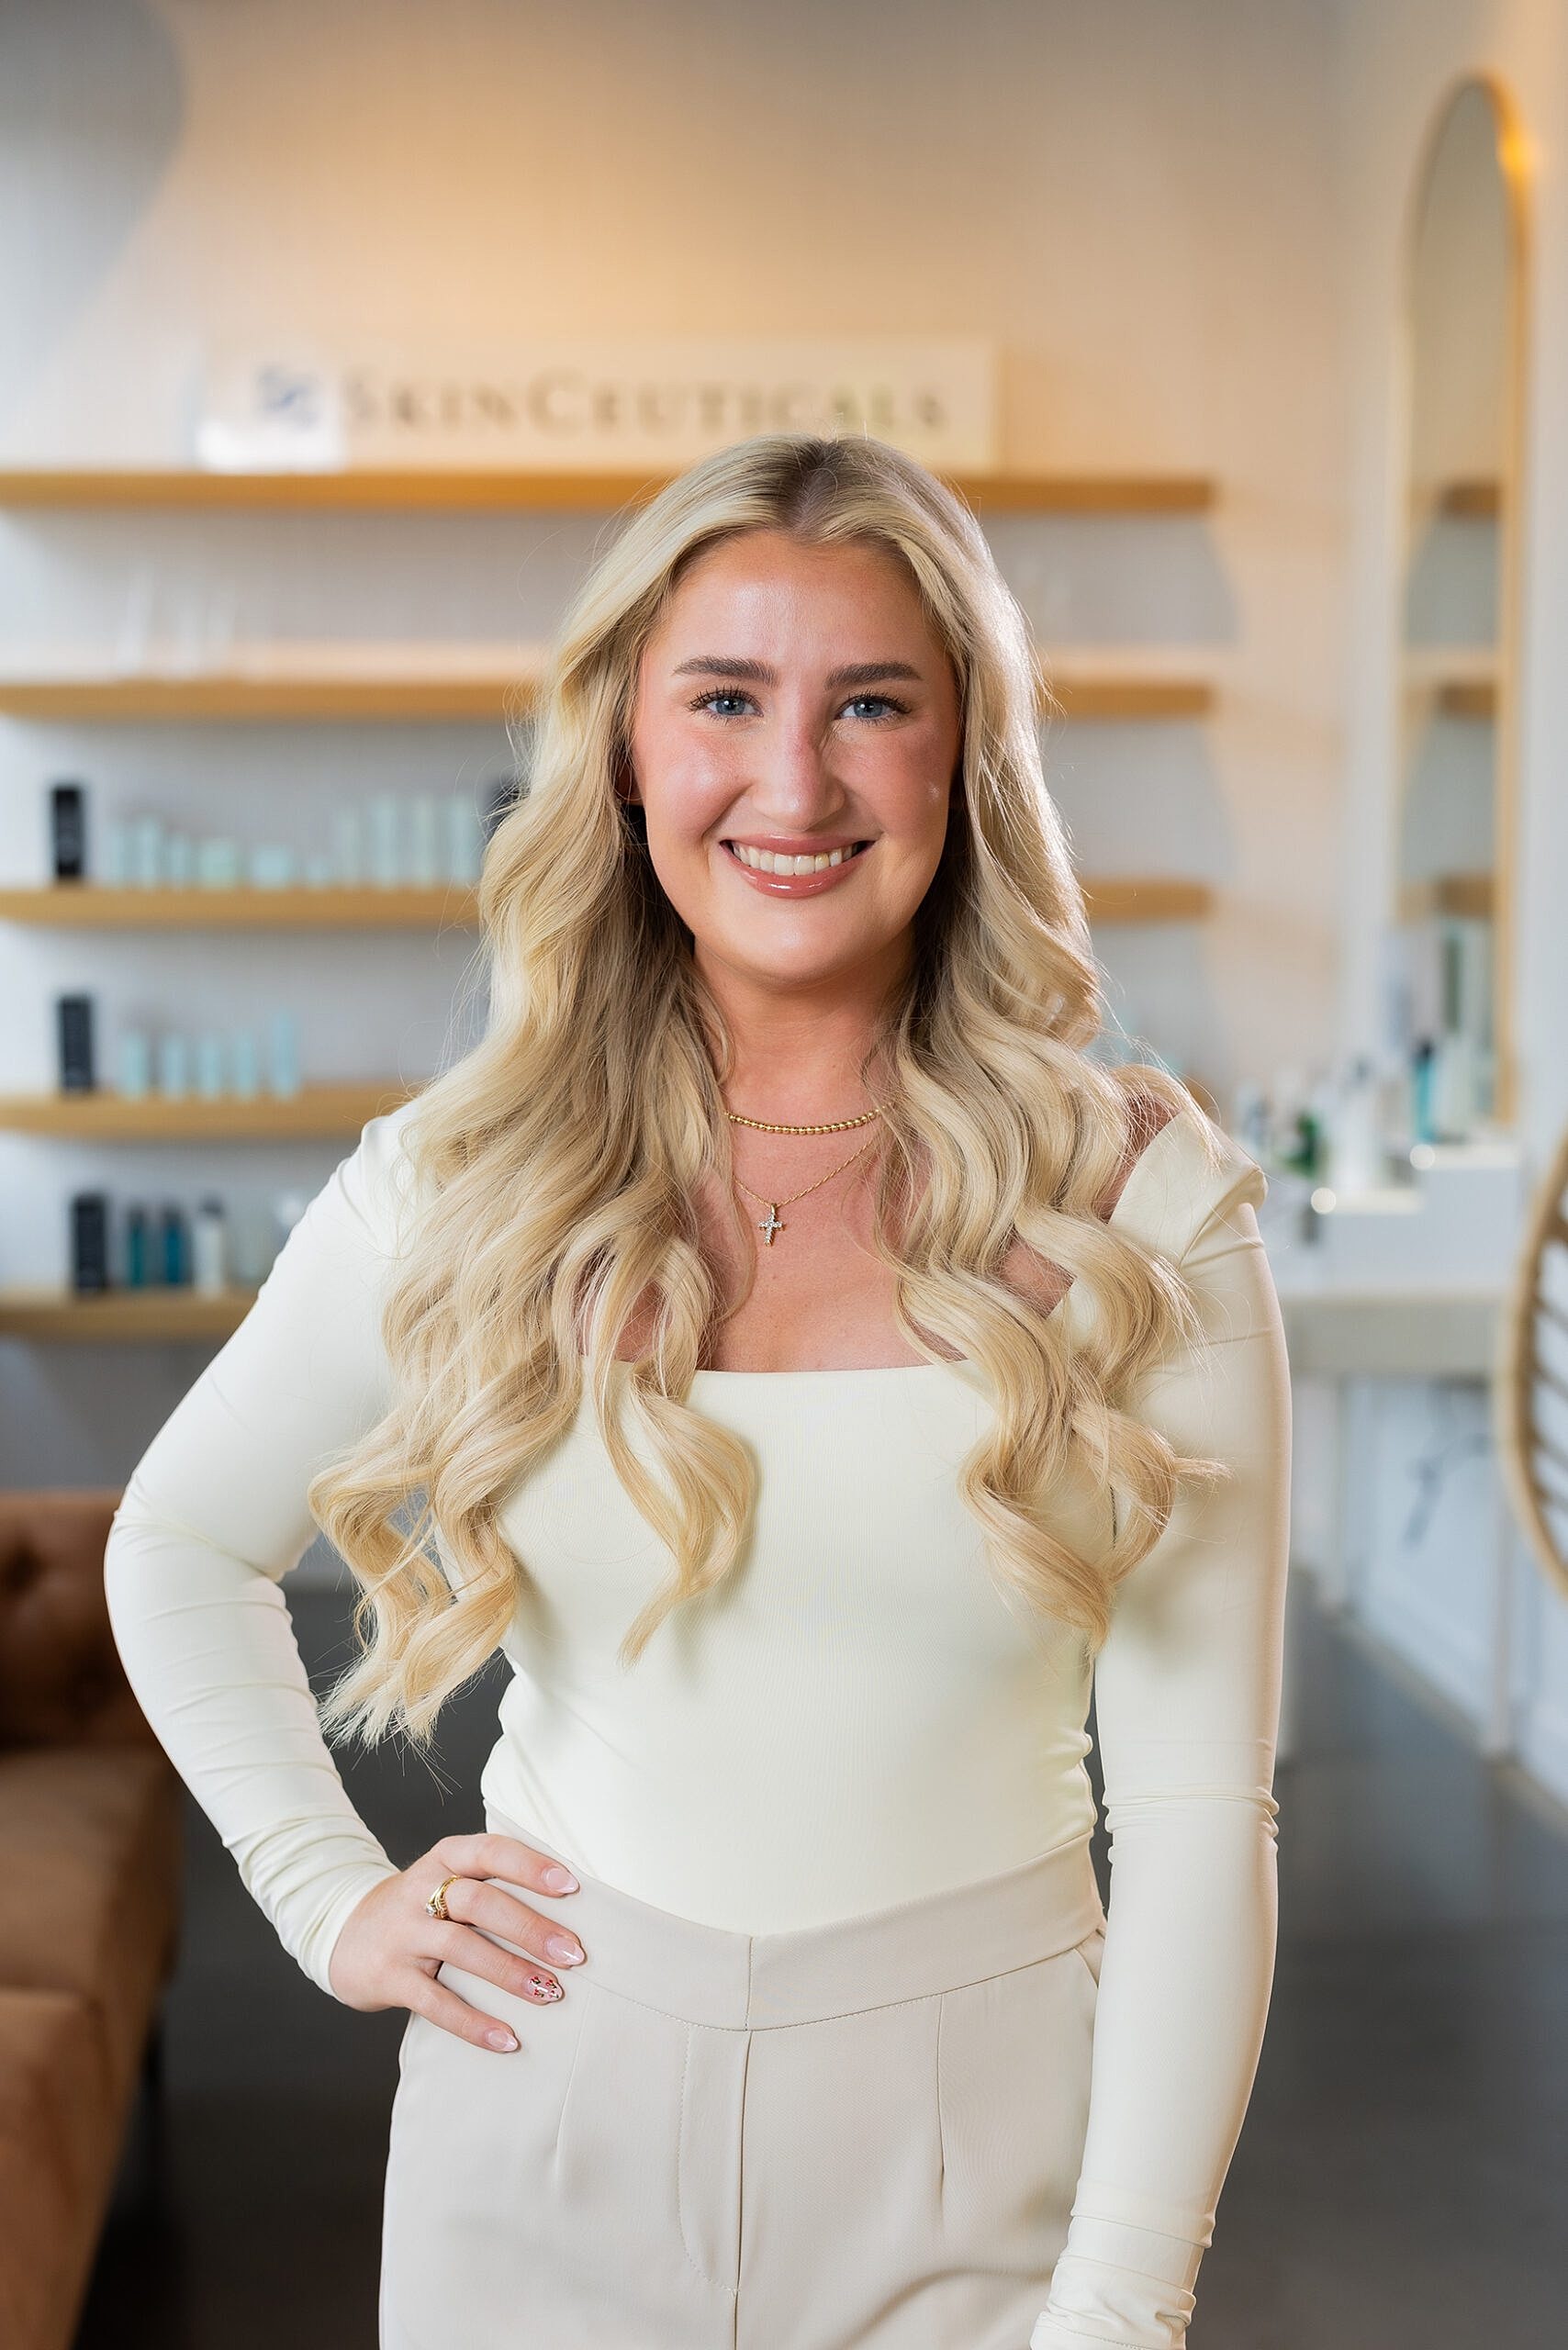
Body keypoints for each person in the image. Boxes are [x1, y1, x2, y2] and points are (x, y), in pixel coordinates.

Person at [105, 431, 1292, 2350]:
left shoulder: (1143, 1211)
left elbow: (1196, 1814)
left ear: (964, 758)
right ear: (628, 752)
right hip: (541, 2121)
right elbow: (174, 1540)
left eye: (871, 704)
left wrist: (1125, 2302)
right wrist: (327, 1893)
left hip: (986, 2152)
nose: (793, 781)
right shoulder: (468, 1178)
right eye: (725, 698)